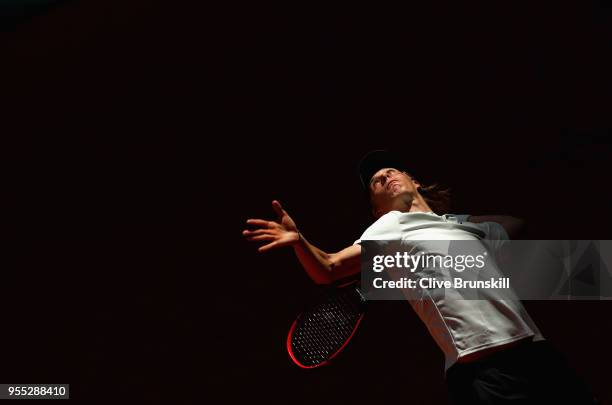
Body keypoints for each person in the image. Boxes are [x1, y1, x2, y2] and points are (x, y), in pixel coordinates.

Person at [243, 150, 598, 404]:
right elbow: (328, 268)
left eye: (390, 170)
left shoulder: (458, 229)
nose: (383, 175)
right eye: (375, 182)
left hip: (538, 356)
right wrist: (299, 240)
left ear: (414, 180)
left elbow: (515, 224)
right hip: (486, 373)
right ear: (376, 209)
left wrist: (458, 224)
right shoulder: (391, 225)